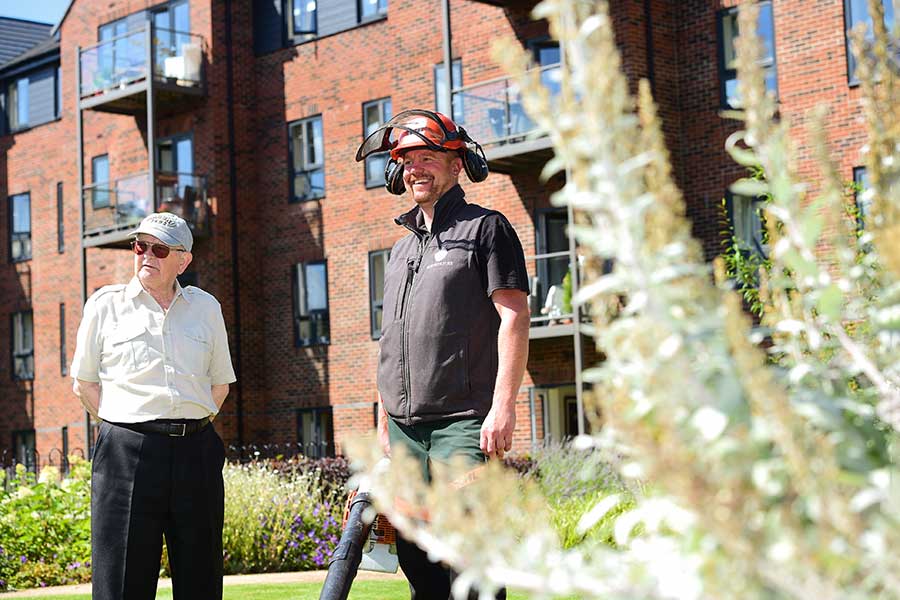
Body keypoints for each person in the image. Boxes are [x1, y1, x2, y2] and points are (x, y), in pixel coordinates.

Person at [357, 109, 531, 599]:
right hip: (405, 430)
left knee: (470, 562)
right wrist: (383, 421)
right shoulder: (399, 250)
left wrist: (503, 407)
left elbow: (514, 317)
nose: (415, 169)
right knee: (420, 565)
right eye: (406, 160)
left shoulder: (486, 230)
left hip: (463, 424)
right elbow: (393, 337)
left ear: (457, 165)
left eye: (428, 157)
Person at [71, 212, 236, 600]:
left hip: (196, 451)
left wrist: (186, 424)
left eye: (159, 249)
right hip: (127, 452)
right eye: (140, 246)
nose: (146, 255)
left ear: (183, 260)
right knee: (122, 582)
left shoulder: (206, 307)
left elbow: (220, 385)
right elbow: (85, 384)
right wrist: (125, 425)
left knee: (201, 578)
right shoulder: (104, 305)